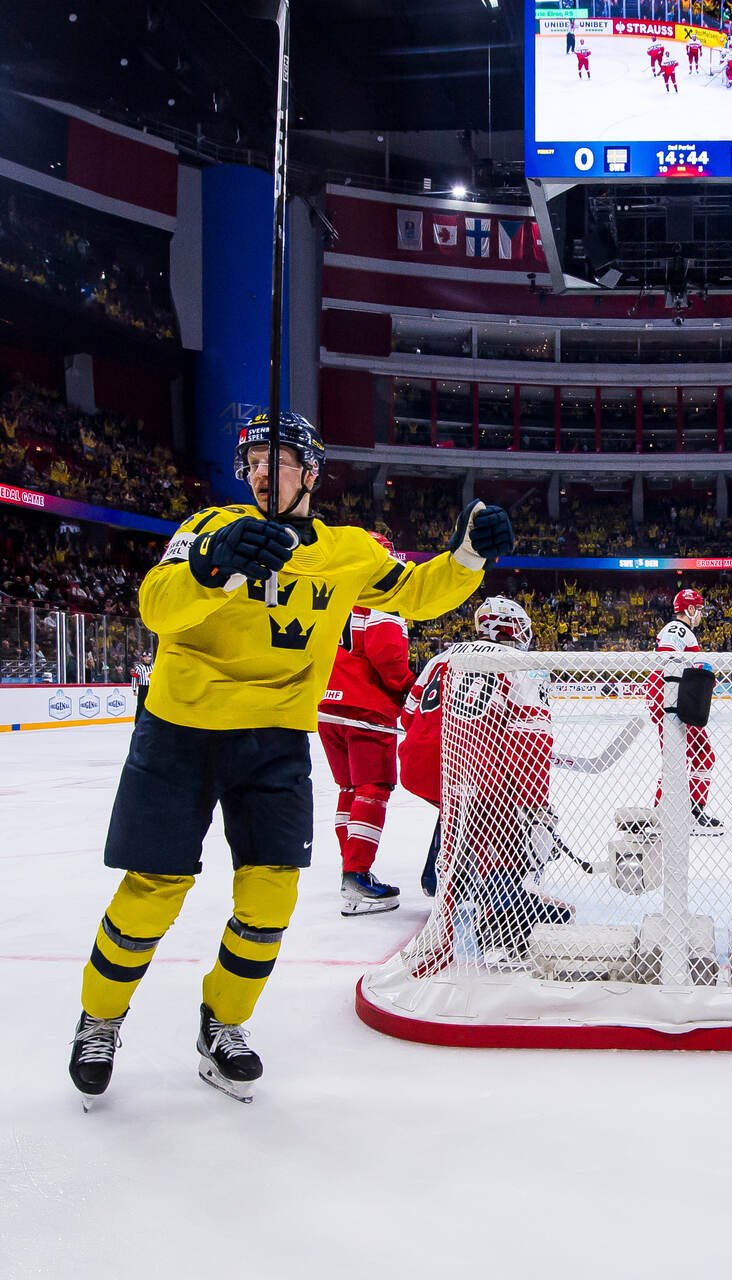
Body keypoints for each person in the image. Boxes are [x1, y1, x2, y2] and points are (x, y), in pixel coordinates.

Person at [68, 411, 509, 1106]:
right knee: (153, 889)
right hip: (180, 729)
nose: (260, 474)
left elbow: (416, 594)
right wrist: (213, 566)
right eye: (251, 463)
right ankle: (100, 1019)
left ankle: (224, 1024)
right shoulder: (210, 526)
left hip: (273, 737)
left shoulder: (349, 550)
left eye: (276, 461)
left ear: (312, 472)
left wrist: (469, 558)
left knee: (270, 896)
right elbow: (156, 604)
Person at [398, 596, 574, 975]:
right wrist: (535, 806)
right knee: (504, 828)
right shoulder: (521, 664)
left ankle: (443, 877)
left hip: (421, 764)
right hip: (478, 769)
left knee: (461, 808)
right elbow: (531, 738)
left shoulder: (441, 657)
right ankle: (504, 923)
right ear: (512, 629)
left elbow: (408, 715)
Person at [319, 531, 414, 916]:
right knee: (372, 788)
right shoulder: (381, 599)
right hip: (366, 710)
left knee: (349, 788)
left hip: (327, 707)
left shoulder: (329, 596)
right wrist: (409, 691)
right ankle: (357, 874)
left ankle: (350, 868)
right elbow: (387, 655)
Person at [651, 588, 720, 829]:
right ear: (689, 609)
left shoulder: (680, 632)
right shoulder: (678, 629)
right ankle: (678, 812)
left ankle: (670, 812)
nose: (700, 614)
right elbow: (668, 660)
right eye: (698, 609)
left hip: (673, 699)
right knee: (694, 755)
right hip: (672, 701)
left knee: (692, 755)